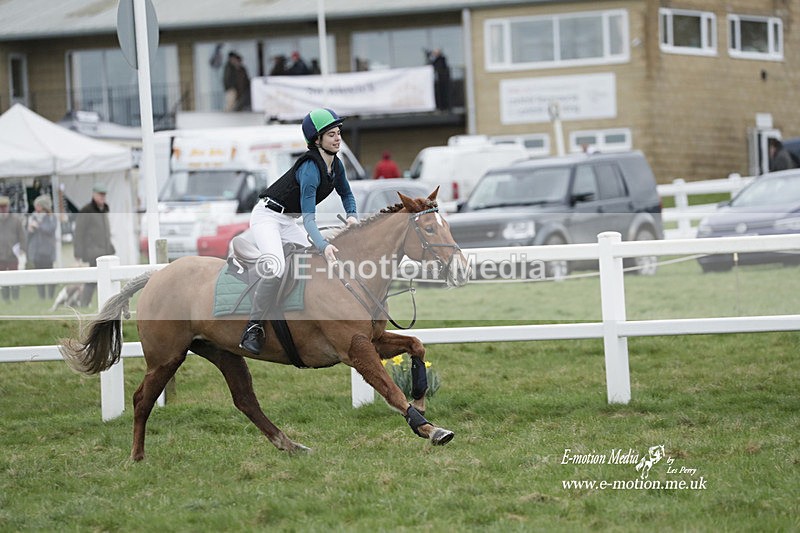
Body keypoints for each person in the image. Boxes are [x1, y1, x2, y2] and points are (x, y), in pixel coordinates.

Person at [239, 108, 359, 355]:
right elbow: (309, 219)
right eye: (331, 134)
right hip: (268, 217)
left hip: (287, 220)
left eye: (338, 133)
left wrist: (352, 216)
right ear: (317, 140)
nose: (338, 138)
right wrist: (324, 245)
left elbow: (347, 194)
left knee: (314, 261)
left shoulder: (336, 165)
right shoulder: (310, 169)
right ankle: (253, 327)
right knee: (277, 267)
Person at [73, 183, 115, 307]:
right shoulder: (86, 211)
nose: (102, 197)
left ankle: (102, 304)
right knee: (92, 280)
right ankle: (84, 303)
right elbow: (79, 232)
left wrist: (110, 247)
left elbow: (104, 232)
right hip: (93, 252)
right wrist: (78, 253)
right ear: (94, 195)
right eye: (100, 194)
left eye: (104, 195)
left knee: (104, 280)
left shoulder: (103, 210)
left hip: (104, 251)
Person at [27, 194, 57, 300]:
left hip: (48, 252)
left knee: (50, 275)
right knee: (38, 275)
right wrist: (30, 229)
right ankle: (42, 297)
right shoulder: (33, 217)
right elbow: (28, 236)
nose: (36, 207)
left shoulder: (51, 217)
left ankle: (50, 296)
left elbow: (50, 229)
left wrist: (38, 226)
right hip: (37, 252)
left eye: (38, 205)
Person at [0, 195, 26, 302]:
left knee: (15, 277)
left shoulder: (16, 220)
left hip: (13, 255)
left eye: (4, 207)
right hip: (1, 255)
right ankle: (6, 299)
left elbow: (22, 236)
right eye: (1, 207)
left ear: (8, 207)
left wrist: (22, 249)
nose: (3, 210)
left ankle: (16, 298)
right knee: (2, 278)